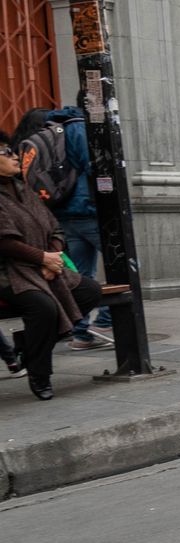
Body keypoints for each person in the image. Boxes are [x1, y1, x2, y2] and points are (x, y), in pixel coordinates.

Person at [1, 129, 104, 400]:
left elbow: (54, 228)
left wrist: (53, 258)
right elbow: (5, 243)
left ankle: (29, 343)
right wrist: (42, 258)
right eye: (6, 152)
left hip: (44, 265)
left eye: (12, 151)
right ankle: (40, 373)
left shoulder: (24, 188)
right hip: (10, 273)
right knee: (43, 307)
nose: (14, 157)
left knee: (90, 291)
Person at [31, 105, 116, 350]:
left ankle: (80, 333)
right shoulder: (78, 127)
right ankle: (104, 321)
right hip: (87, 209)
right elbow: (96, 166)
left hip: (61, 210)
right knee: (127, 266)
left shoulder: (47, 132)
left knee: (80, 275)